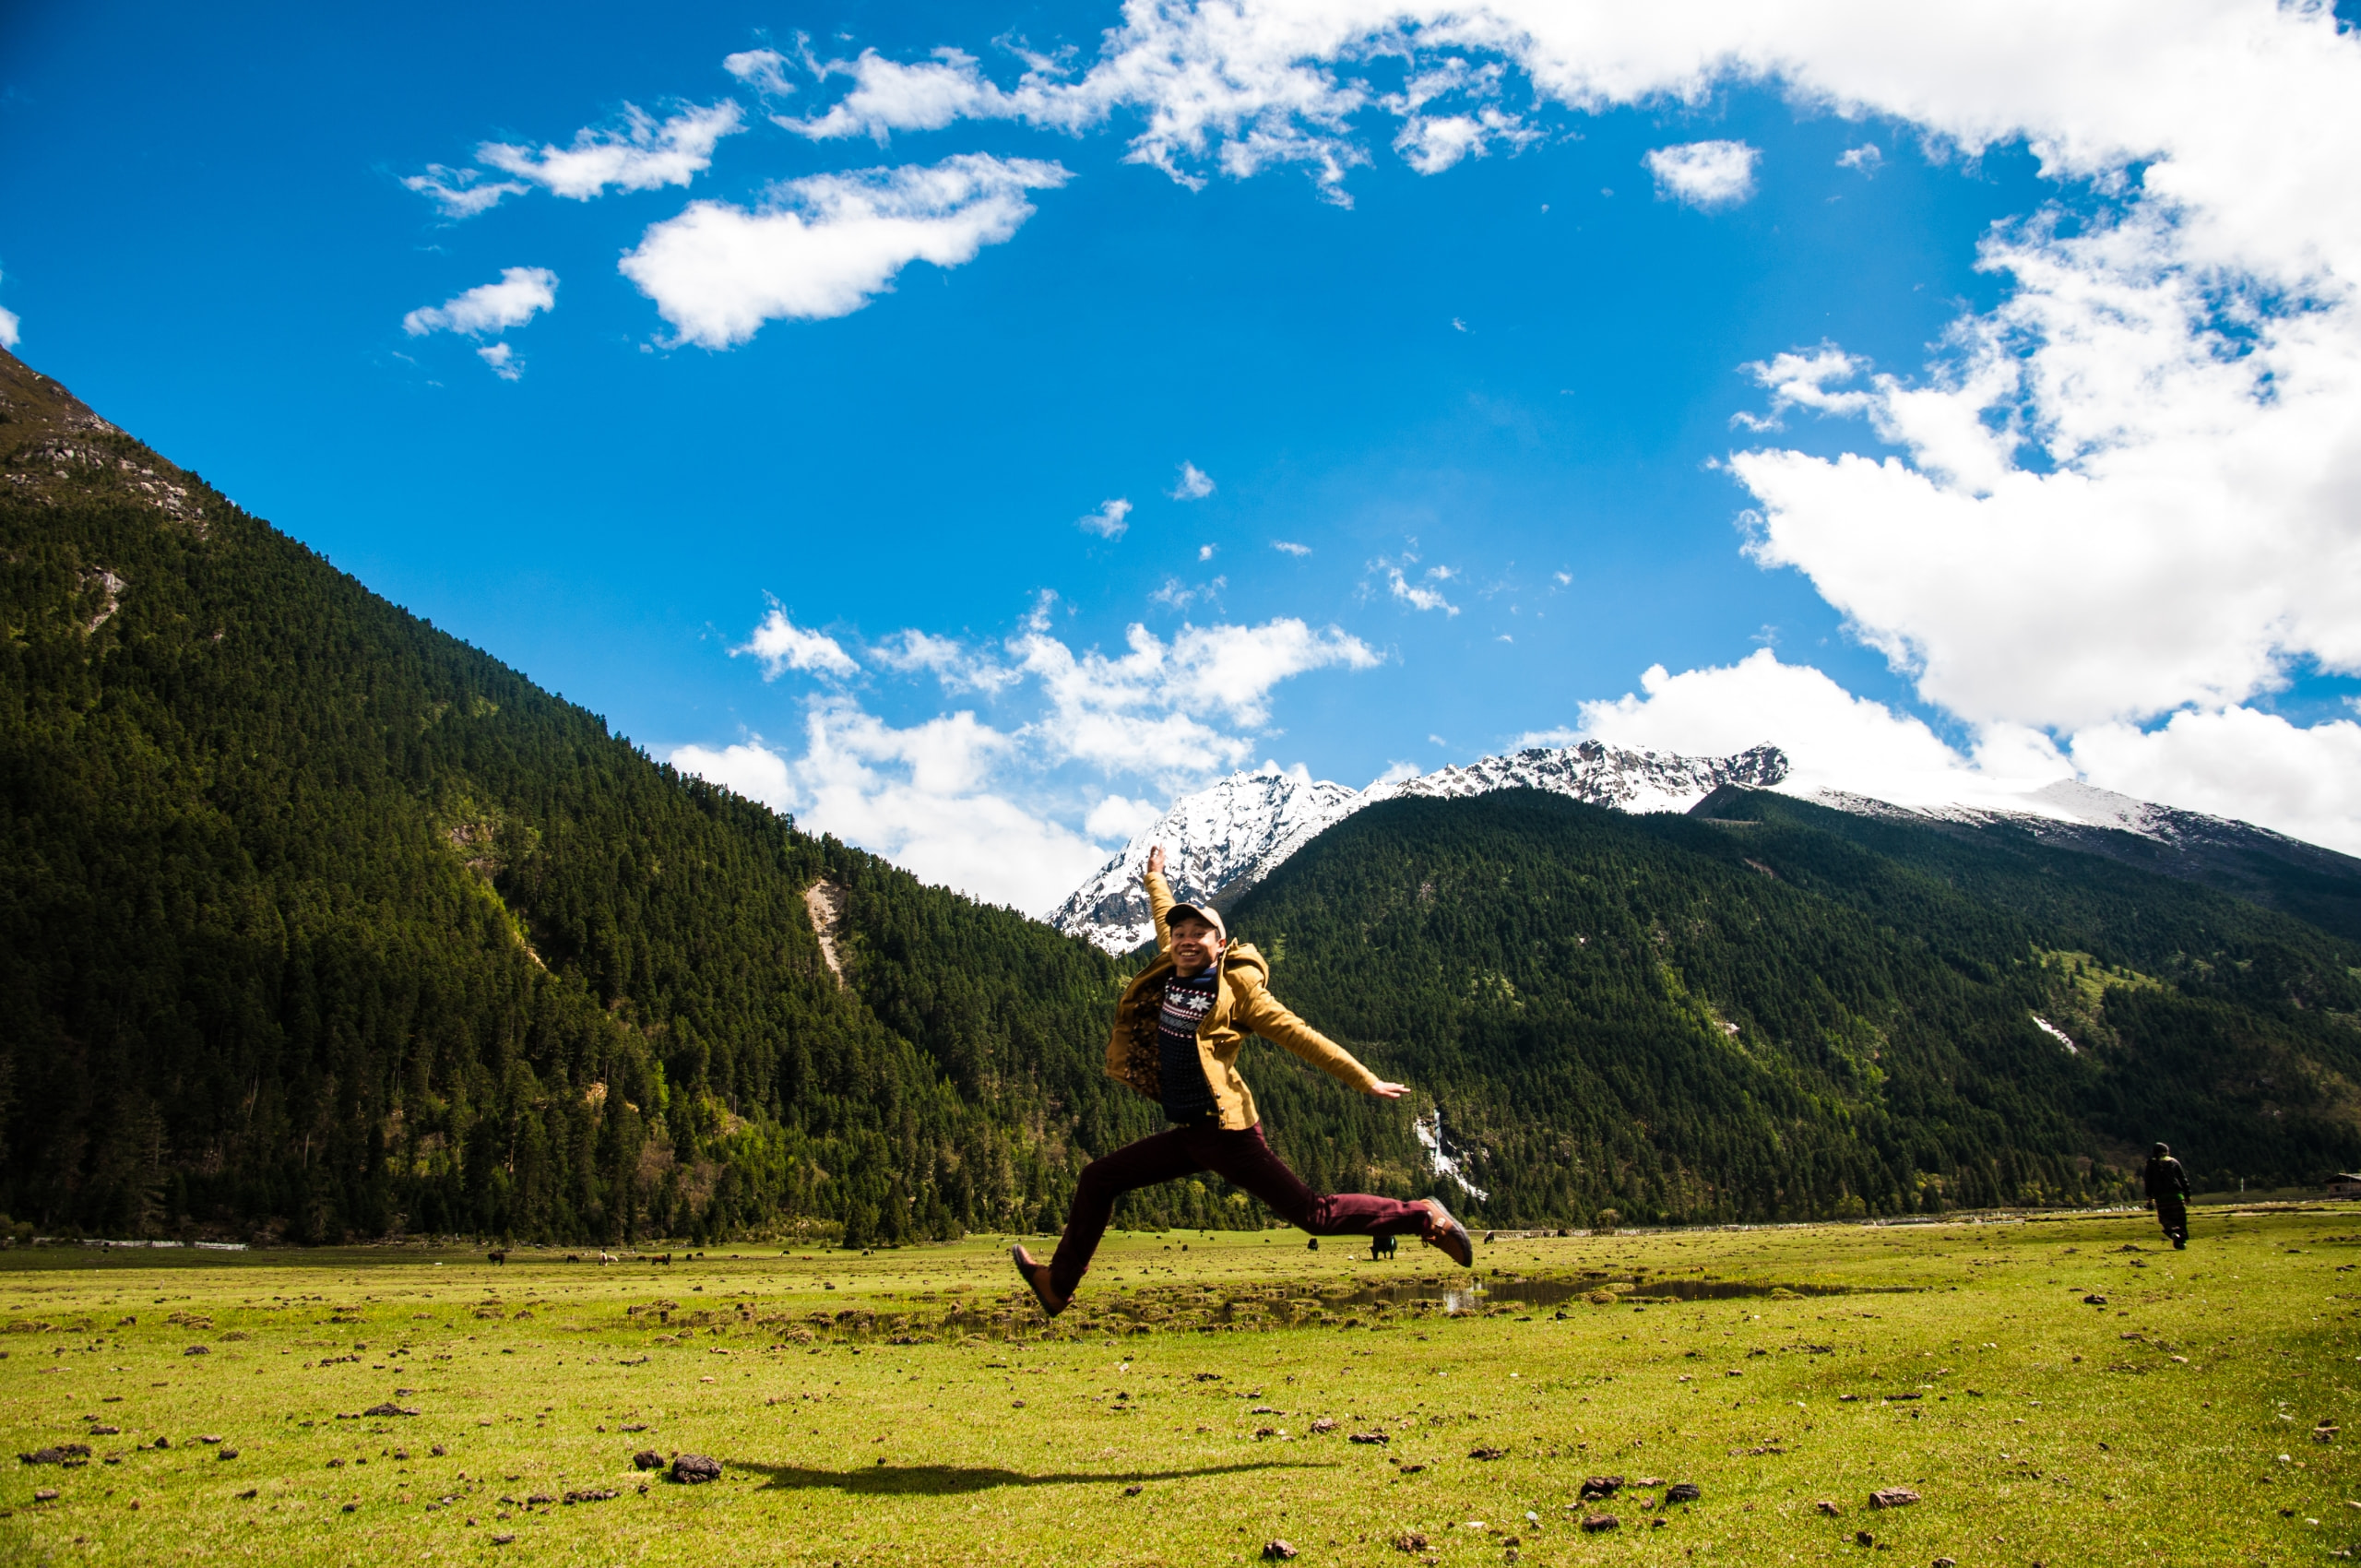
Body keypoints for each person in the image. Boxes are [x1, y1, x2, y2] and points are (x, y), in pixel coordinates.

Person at [1014, 846, 1473, 1316]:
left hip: (1227, 1133)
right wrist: (1155, 877)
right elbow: (1164, 915)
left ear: (1220, 943)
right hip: (1191, 1134)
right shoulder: (1173, 963)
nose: (1186, 940)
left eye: (1199, 934)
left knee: (1314, 1215)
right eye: (1180, 934)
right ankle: (1058, 1286)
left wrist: (1365, 1080)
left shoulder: (1238, 990)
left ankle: (1423, 1217)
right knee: (1098, 1178)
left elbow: (1300, 1035)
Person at [2144, 1142, 2190, 1249]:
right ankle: (2181, 1241)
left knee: (2165, 1218)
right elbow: (2183, 1179)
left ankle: (2173, 1232)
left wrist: (2149, 1197)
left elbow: (2148, 1182)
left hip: (2160, 1197)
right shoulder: (2174, 1162)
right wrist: (2187, 1194)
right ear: (2166, 1152)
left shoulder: (2151, 1164)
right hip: (2176, 1196)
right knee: (2180, 1219)